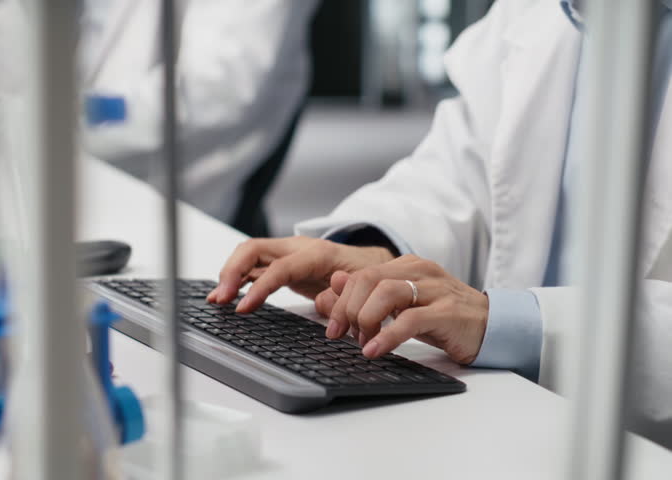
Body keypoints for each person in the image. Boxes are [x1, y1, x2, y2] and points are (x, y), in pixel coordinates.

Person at [208, 0, 672, 447]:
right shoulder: (536, 10)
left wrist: (513, 324)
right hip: (510, 413)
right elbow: (460, 168)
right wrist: (377, 249)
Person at [0, 0, 320, 236]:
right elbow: (26, 17)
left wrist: (67, 117)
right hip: (61, 193)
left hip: (182, 205)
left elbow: (215, 88)